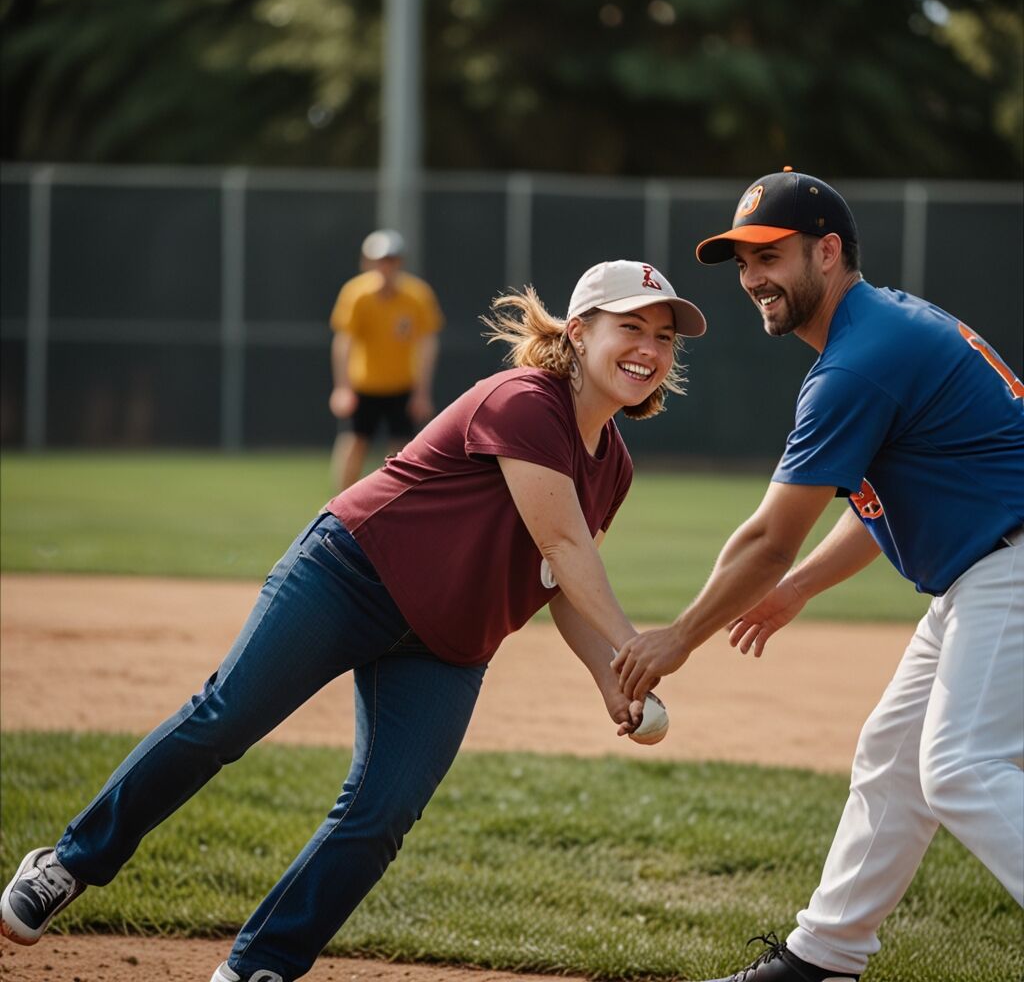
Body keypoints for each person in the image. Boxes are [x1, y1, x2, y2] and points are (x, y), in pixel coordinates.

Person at [0, 260, 708, 982]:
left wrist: (610, 678)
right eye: (631, 328)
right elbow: (562, 542)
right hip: (350, 577)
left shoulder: (612, 465)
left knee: (383, 811)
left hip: (448, 646)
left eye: (663, 337)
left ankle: (258, 967)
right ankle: (69, 863)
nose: (649, 349)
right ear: (580, 332)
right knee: (224, 719)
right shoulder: (527, 399)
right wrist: (638, 647)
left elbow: (559, 581)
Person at [612, 169, 1024, 982]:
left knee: (959, 768)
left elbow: (769, 536)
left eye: (770, 256)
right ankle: (823, 959)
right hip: (986, 571)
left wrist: (678, 639)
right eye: (741, 262)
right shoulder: (883, 329)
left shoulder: (857, 364)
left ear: (827, 252)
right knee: (893, 758)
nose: (753, 279)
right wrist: (798, 588)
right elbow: (879, 506)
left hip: (1010, 568)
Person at [328, 229, 444, 491]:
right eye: (379, 260)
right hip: (364, 385)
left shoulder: (417, 296)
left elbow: (427, 344)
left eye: (390, 260)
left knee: (402, 453)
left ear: (399, 262)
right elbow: (344, 341)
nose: (385, 267)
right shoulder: (356, 294)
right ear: (367, 262)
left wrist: (422, 392)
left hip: (401, 385)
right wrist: (343, 388)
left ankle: (395, 506)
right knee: (353, 444)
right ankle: (338, 505)